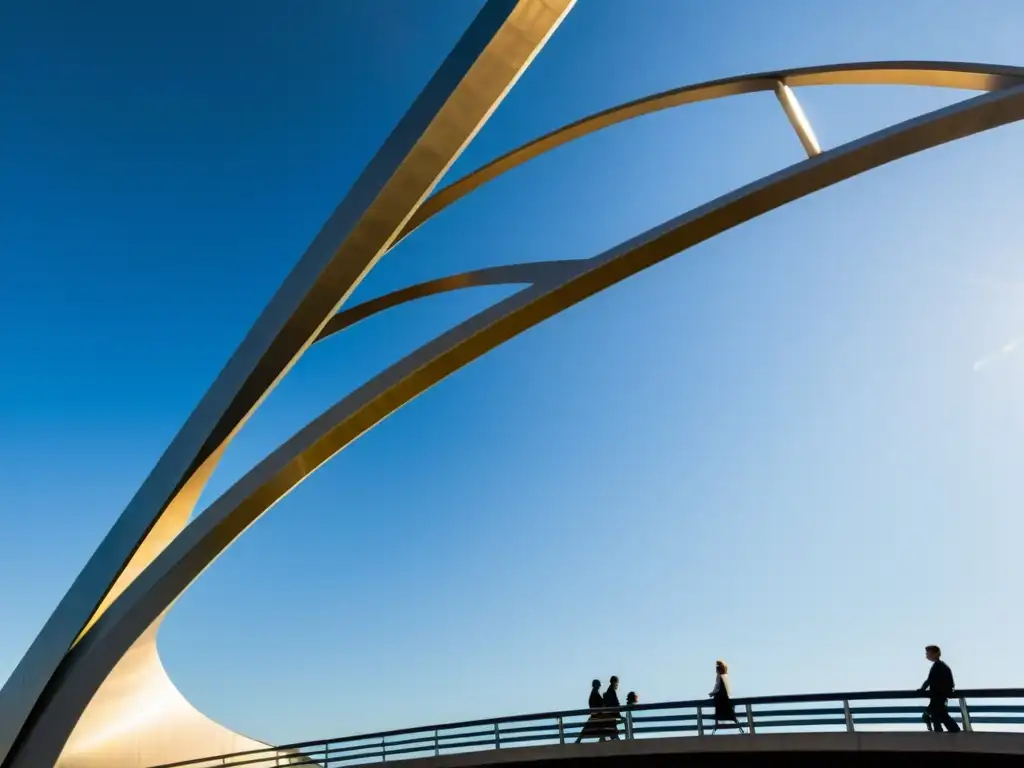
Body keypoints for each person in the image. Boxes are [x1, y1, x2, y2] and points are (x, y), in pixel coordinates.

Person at [919, 645, 960, 733]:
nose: (927, 655)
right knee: (938, 714)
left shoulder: (939, 666)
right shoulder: (941, 665)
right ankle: (943, 732)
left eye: (928, 653)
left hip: (938, 695)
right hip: (940, 695)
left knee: (938, 714)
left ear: (936, 654)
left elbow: (930, 680)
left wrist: (922, 689)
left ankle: (951, 731)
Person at [710, 660, 745, 733]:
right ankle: (740, 728)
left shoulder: (720, 677)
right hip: (727, 699)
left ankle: (716, 726)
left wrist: (712, 693)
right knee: (731, 715)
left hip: (721, 698)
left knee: (719, 714)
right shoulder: (726, 676)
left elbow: (718, 687)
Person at [602, 676, 622, 740]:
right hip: (610, 716)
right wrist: (619, 715)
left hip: (608, 716)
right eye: (617, 683)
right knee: (614, 734)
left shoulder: (609, 690)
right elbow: (614, 703)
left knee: (613, 734)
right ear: (614, 682)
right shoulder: (611, 691)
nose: (617, 685)